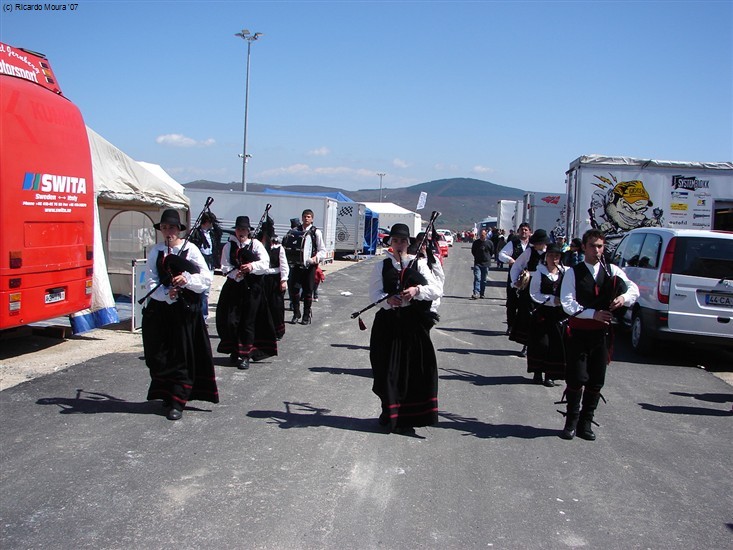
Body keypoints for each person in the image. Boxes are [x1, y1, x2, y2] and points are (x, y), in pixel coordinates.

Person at [559, 229, 639, 441]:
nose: (597, 250)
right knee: (576, 378)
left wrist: (623, 298)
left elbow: (633, 289)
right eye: (593, 246)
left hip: (601, 335)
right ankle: (571, 422)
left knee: (596, 380)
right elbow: (567, 303)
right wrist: (592, 314)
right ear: (584, 247)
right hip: (578, 333)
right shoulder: (572, 272)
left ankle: (586, 423)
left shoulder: (611, 270)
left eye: (600, 246)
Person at [141, 209, 218, 421]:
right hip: (162, 310)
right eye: (164, 228)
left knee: (182, 355)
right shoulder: (156, 252)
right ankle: (166, 392)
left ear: (179, 230)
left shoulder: (191, 249)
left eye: (172, 228)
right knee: (159, 355)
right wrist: (167, 293)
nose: (168, 232)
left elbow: (205, 279)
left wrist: (186, 281)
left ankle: (178, 400)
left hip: (185, 312)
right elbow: (150, 282)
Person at [369, 224, 443, 435]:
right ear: (390, 243)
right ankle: (387, 410)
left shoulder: (418, 264)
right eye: (395, 241)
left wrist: (417, 290)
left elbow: (436, 290)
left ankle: (409, 417)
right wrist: (387, 300)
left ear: (408, 243)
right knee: (384, 369)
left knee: (412, 371)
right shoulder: (381, 266)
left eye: (403, 241)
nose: (399, 244)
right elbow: (374, 294)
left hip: (412, 324)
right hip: (388, 323)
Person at [216, 216, 277, 370]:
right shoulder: (229, 246)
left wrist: (251, 267)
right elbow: (224, 266)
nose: (241, 232)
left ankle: (245, 355)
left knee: (248, 322)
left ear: (248, 231)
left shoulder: (255, 245)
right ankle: (235, 349)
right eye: (238, 229)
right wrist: (235, 273)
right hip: (234, 287)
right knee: (231, 320)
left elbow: (265, 263)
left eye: (244, 229)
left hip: (252, 289)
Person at [527, 243, 567, 386]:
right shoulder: (540, 272)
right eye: (551, 255)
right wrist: (550, 299)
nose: (553, 259)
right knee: (541, 343)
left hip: (558, 314)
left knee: (555, 344)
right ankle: (538, 372)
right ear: (546, 257)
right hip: (543, 313)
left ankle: (550, 375)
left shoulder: (565, 273)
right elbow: (534, 293)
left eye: (556, 256)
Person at [508, 228, 550, 356]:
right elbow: (516, 266)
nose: (537, 245)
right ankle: (527, 344)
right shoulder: (529, 252)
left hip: (545, 286)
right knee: (528, 315)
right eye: (536, 243)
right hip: (530, 286)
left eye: (539, 243)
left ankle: (543, 344)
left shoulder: (550, 253)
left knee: (544, 316)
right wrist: (515, 281)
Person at [283, 209, 326, 325]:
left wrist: (313, 259)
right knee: (294, 290)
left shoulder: (316, 232)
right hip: (296, 266)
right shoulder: (295, 231)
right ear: (301, 218)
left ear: (312, 219)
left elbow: (322, 251)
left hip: (309, 266)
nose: (306, 219)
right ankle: (296, 313)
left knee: (308, 291)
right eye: (304, 217)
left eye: (308, 217)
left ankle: (306, 315)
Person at [498, 223, 531, 334]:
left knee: (525, 304)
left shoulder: (532, 246)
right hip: (514, 276)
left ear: (530, 232)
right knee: (512, 302)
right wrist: (510, 260)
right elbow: (501, 254)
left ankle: (522, 328)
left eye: (526, 230)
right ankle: (510, 325)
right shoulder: (513, 243)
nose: (524, 232)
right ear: (518, 231)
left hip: (529, 278)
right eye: (522, 230)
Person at [188, 211, 222, 319]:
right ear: (206, 221)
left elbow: (219, 232)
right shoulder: (196, 233)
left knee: (206, 291)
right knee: (200, 289)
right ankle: (200, 315)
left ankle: (203, 315)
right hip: (199, 264)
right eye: (211, 222)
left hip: (210, 263)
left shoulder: (211, 233)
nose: (212, 224)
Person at [259, 232, 289, 341]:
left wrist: (283, 280)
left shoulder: (278, 248)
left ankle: (278, 331)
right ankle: (264, 330)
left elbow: (284, 265)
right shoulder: (259, 248)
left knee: (276, 305)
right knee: (262, 305)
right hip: (261, 278)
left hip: (274, 278)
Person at [470, 229, 494, 299]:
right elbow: (473, 251)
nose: (481, 236)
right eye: (480, 235)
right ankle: (476, 293)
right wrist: (477, 257)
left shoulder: (489, 243)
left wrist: (487, 258)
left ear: (486, 235)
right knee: (477, 277)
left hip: (486, 264)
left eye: (483, 235)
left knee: (483, 280)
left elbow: (492, 252)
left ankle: (482, 293)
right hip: (478, 263)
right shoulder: (476, 243)